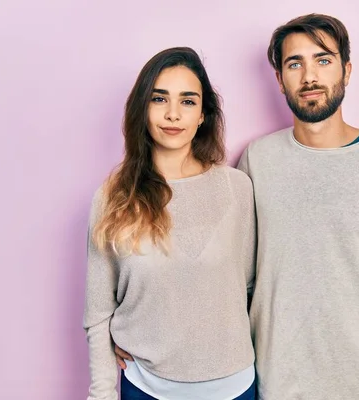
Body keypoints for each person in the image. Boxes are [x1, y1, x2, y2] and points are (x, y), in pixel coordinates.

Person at [235, 14, 359, 399]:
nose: (309, 76)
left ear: (347, 70)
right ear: (280, 79)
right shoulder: (258, 160)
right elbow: (234, 281)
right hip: (274, 388)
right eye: (295, 63)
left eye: (323, 60)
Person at [83, 47, 257, 400]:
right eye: (159, 98)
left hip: (234, 387)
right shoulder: (114, 196)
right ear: (142, 109)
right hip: (147, 388)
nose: (173, 114)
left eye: (188, 101)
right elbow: (98, 314)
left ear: (204, 115)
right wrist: (102, 394)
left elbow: (249, 286)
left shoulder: (237, 188)